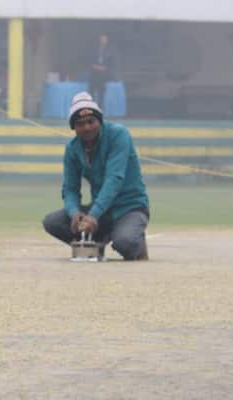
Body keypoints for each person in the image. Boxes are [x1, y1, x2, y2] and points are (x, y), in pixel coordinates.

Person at [43, 92, 149, 261]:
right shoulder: (72, 149)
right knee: (52, 222)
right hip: (102, 212)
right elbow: (70, 189)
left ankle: (136, 242)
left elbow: (114, 179)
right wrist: (74, 213)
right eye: (80, 124)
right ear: (73, 127)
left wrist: (93, 215)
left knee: (125, 243)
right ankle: (95, 244)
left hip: (129, 208)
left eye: (91, 121)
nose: (86, 127)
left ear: (100, 121)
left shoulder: (118, 135)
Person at [87, 34, 115, 107]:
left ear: (107, 40)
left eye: (105, 39)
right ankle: (91, 107)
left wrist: (105, 68)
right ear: (99, 39)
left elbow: (111, 63)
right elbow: (89, 61)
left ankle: (100, 108)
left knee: (101, 92)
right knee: (91, 91)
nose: (103, 40)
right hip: (94, 74)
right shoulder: (94, 49)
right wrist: (95, 67)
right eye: (102, 38)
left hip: (103, 75)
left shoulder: (110, 50)